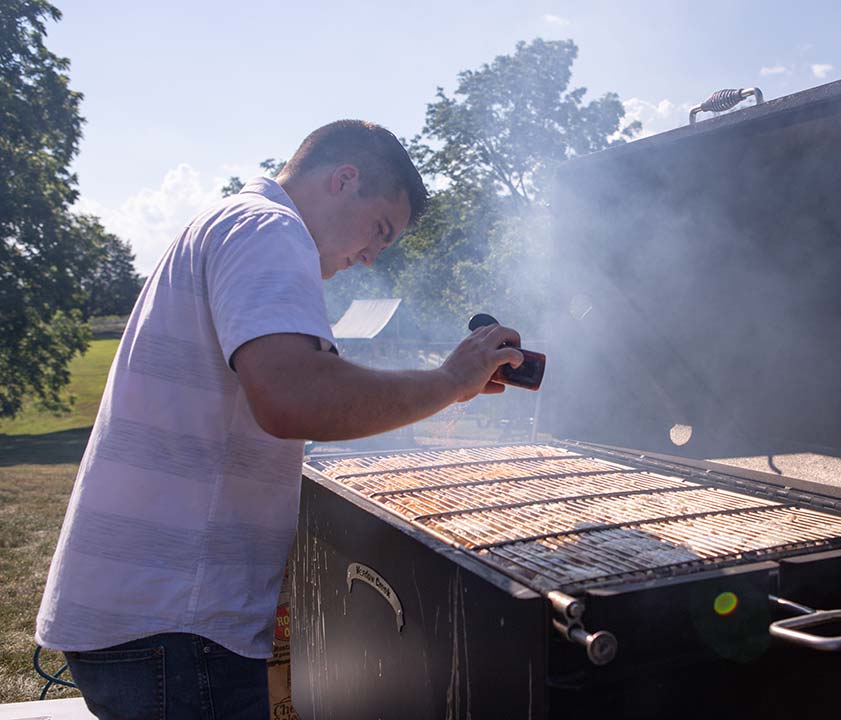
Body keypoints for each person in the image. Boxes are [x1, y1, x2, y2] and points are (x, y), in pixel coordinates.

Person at [35, 120, 523, 719]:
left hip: (151, 617)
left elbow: (285, 390)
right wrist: (449, 383)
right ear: (345, 180)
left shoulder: (233, 223)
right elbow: (294, 396)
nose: (371, 256)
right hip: (178, 622)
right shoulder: (269, 228)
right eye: (380, 230)